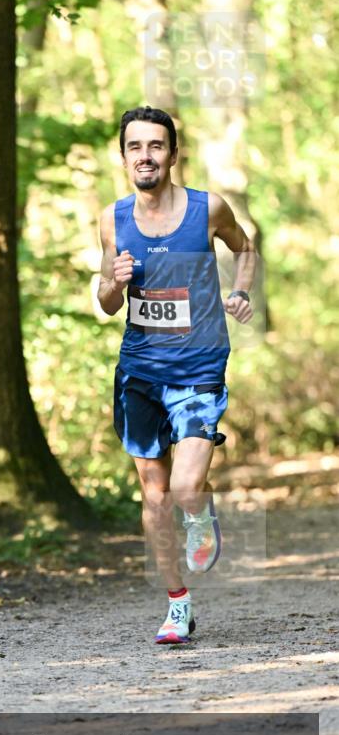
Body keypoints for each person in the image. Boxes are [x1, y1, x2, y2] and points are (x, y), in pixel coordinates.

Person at [98, 106, 256, 644]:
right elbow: (105, 301)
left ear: (172, 153)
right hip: (139, 370)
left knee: (186, 487)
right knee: (155, 494)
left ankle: (202, 508)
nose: (146, 156)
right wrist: (114, 284)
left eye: (156, 146)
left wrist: (240, 290)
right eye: (136, 147)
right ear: (124, 157)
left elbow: (246, 246)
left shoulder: (207, 208)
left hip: (199, 364)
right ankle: (177, 604)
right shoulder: (112, 219)